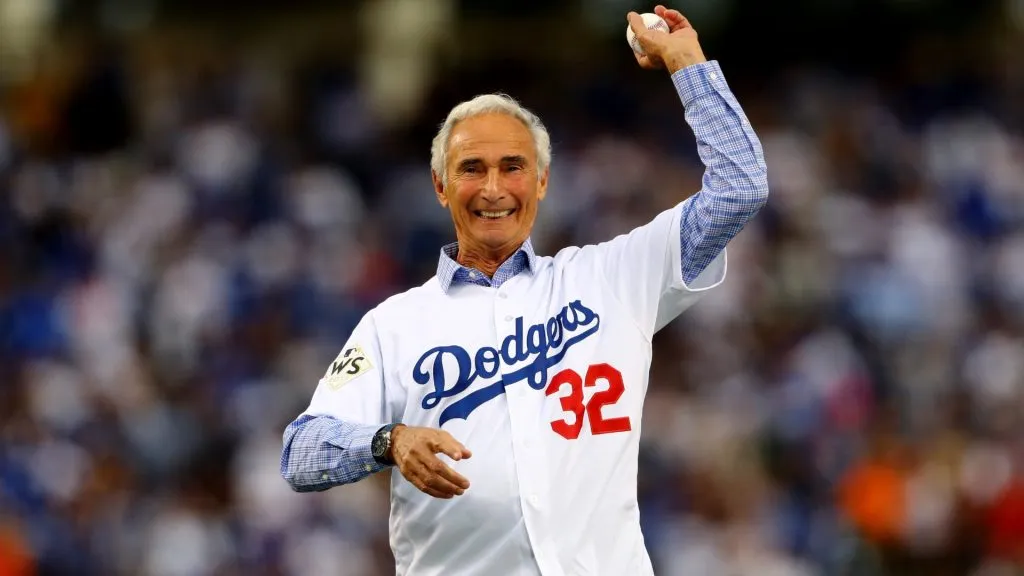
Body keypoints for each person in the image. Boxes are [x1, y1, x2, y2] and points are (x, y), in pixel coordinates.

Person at [280, 5, 769, 575]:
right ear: (441, 186)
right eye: (472, 168)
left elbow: (740, 189)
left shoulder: (611, 277)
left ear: (541, 181)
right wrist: (388, 442)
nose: (493, 188)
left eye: (513, 166)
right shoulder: (395, 324)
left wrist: (687, 61)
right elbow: (301, 453)